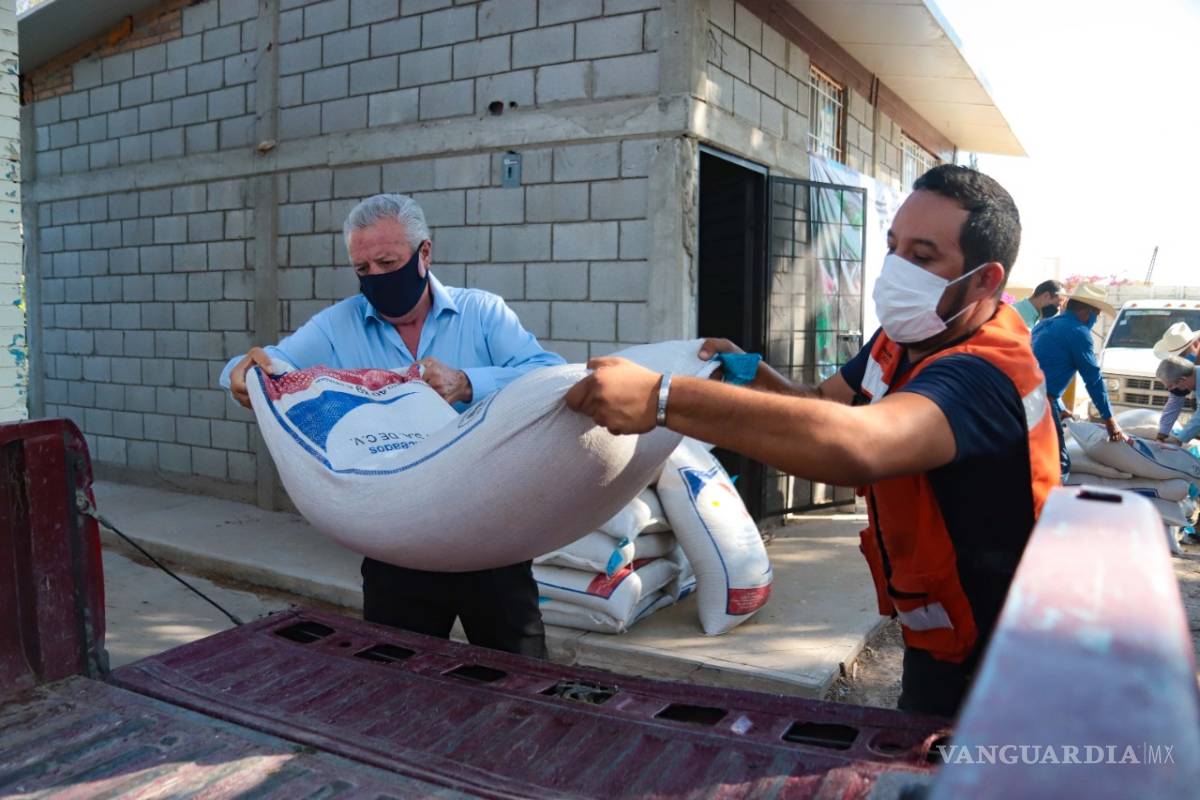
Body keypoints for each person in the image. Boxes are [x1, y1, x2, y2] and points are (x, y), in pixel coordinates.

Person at [565, 165, 1059, 718]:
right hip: (943, 634)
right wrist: (758, 381)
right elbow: (827, 405)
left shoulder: (982, 374)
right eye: (893, 247)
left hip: (998, 658)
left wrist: (663, 400)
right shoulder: (906, 336)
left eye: (922, 257)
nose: (896, 272)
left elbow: (857, 447)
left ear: (985, 281)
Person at [219, 193, 564, 658]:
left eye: (388, 262)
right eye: (364, 271)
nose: (377, 279)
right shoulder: (340, 324)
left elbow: (549, 373)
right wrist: (245, 374)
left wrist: (467, 383)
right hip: (397, 538)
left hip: (489, 530)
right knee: (395, 670)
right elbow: (274, 361)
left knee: (516, 669)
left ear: (424, 254)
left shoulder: (482, 313)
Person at [1030, 282, 1125, 478]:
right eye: (1096, 315)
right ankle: (1050, 506)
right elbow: (1093, 380)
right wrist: (1109, 419)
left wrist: (1060, 407)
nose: (1095, 320)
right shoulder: (1079, 333)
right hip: (1040, 403)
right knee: (1059, 464)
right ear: (1085, 312)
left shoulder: (1044, 325)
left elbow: (1044, 370)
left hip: (1022, 397)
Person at [1152, 323, 1200, 442]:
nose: (1182, 360)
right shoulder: (1180, 372)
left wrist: (1180, 440)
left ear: (1195, 344)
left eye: (1183, 354)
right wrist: (1163, 433)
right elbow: (1175, 399)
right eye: (1178, 357)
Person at [1156, 354, 1200, 445]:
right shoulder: (1183, 379)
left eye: (1171, 386)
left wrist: (1179, 440)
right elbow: (1173, 405)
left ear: (1182, 380)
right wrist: (1161, 435)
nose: (1171, 390)